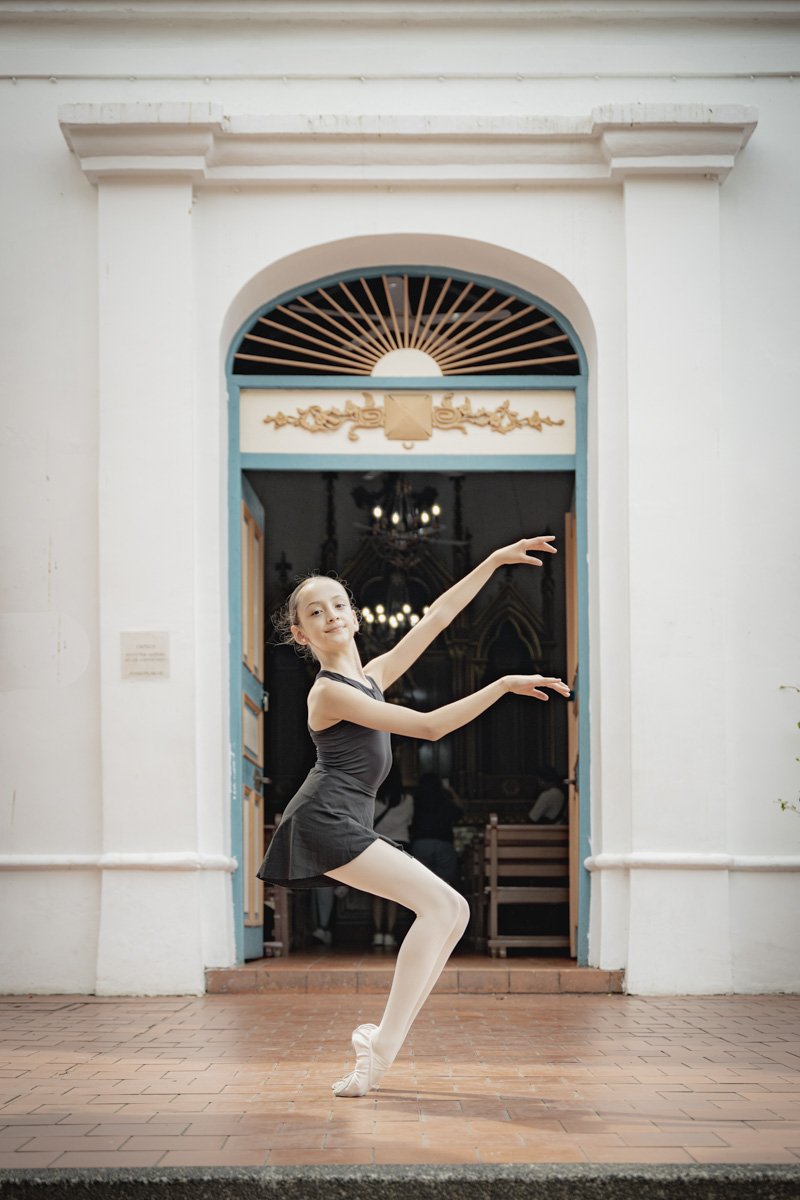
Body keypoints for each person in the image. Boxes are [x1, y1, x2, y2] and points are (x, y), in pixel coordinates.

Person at [257, 536, 570, 1098]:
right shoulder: (328, 692)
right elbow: (429, 728)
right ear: (300, 634)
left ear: (353, 615)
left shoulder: (369, 676)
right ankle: (379, 1048)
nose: (331, 615)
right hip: (324, 819)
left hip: (342, 818)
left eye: (338, 604)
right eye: (315, 611)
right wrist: (501, 684)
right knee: (444, 906)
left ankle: (380, 1047)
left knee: (452, 912)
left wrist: (494, 562)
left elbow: (438, 617)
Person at [371, 763, 414, 949]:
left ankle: (377, 933)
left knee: (377, 893)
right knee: (393, 894)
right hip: (400, 846)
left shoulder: (373, 798)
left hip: (377, 845)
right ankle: (390, 933)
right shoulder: (408, 800)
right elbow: (410, 821)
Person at [410, 773, 463, 891]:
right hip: (443, 843)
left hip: (420, 843)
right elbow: (460, 811)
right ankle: (441, 908)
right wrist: (451, 791)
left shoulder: (415, 803)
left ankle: (421, 908)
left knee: (421, 881)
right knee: (444, 883)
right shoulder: (445, 803)